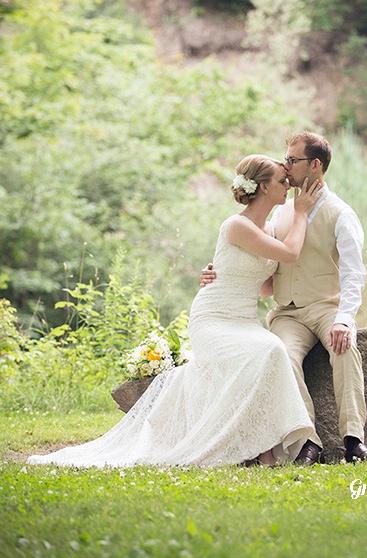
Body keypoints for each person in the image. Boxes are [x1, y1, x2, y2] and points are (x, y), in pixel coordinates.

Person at [27, 155, 322, 469]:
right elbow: (290, 254)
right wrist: (302, 213)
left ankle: (264, 448)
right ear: (263, 187)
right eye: (282, 181)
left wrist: (219, 271)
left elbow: (264, 288)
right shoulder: (237, 225)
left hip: (244, 320)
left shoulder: (270, 230)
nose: (289, 186)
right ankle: (258, 447)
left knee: (270, 352)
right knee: (267, 351)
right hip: (214, 318)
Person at [202, 132, 367, 464]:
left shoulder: (341, 213)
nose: (286, 166)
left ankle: (353, 442)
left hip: (325, 307)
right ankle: (308, 443)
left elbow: (353, 274)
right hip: (287, 313)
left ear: (314, 165)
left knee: (346, 350)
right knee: (281, 356)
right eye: (285, 160)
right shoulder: (281, 212)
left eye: (292, 160)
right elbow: (261, 265)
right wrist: (220, 274)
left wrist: (345, 319)